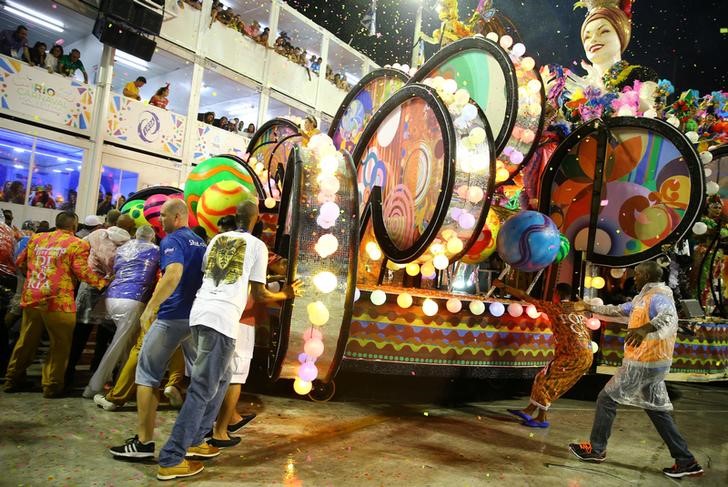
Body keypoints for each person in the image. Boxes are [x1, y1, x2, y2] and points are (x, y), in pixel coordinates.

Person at [155, 200, 301, 480]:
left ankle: (198, 440)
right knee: (202, 388)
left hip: (201, 314)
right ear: (256, 219)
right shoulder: (257, 246)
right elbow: (259, 295)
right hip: (220, 320)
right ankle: (172, 457)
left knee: (223, 377)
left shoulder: (218, 239)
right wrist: (285, 294)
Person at [569, 261, 704, 479]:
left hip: (644, 363)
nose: (635, 277)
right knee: (657, 411)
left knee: (606, 398)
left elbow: (668, 317)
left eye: (638, 273)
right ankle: (685, 460)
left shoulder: (659, 296)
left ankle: (597, 449)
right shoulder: (644, 297)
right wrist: (590, 306)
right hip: (650, 363)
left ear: (646, 275)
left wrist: (644, 328)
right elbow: (618, 310)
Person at [109, 198, 206, 459]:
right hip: (194, 317)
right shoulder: (200, 242)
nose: (159, 220)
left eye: (163, 215)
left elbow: (173, 274)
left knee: (147, 373)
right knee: (201, 378)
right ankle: (199, 438)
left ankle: (143, 442)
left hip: (172, 315)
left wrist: (152, 306)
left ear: (177, 217)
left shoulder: (171, 241)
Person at [3, 212, 108, 397]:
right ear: (74, 227)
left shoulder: (36, 239)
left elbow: (20, 263)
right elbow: (82, 271)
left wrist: (34, 279)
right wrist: (103, 283)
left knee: (26, 341)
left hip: (33, 296)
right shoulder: (77, 243)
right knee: (59, 345)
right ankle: (51, 386)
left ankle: (12, 379)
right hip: (59, 301)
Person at [208, 252, 289, 447]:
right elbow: (262, 290)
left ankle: (231, 418)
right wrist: (285, 291)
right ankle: (220, 431)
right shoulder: (256, 249)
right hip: (242, 319)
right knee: (235, 375)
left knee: (221, 371)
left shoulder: (224, 247)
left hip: (218, 316)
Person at [495, 281, 592, 427]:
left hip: (574, 354)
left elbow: (524, 295)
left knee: (544, 380)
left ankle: (541, 418)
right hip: (586, 353)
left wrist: (503, 286)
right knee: (548, 380)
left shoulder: (553, 307)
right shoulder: (577, 308)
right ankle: (529, 411)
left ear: (557, 294)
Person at [84, 225, 159, 399]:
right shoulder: (155, 251)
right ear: (152, 237)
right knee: (118, 345)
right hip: (133, 300)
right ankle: (94, 387)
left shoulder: (123, 249)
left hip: (112, 297)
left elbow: (114, 268)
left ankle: (122, 384)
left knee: (128, 344)